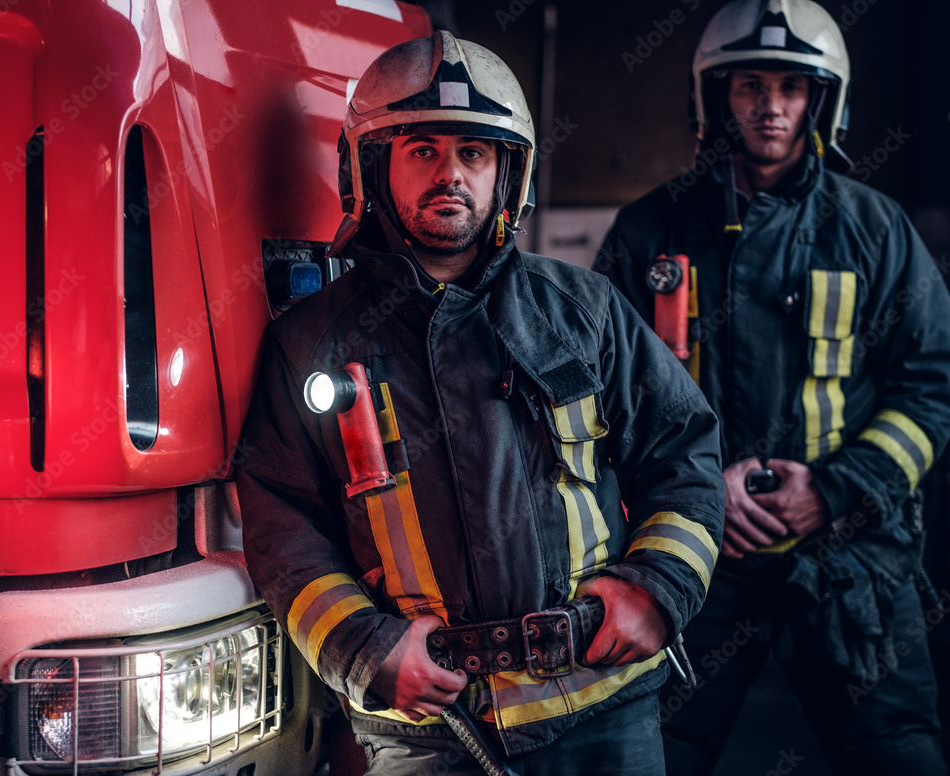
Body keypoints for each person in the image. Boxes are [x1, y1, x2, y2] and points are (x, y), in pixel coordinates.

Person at [238, 30, 725, 775]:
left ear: (508, 172)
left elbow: (684, 450)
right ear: (372, 166)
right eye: (423, 150)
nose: (451, 175)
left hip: (605, 709)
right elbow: (281, 522)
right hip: (430, 730)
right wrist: (365, 647)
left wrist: (657, 589)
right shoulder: (311, 342)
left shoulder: (584, 311)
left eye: (474, 154)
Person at [594, 1, 950, 774]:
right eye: (749, 85)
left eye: (791, 87)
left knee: (900, 758)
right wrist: (697, 494)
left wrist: (834, 488)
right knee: (648, 755)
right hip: (693, 556)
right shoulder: (648, 233)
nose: (771, 107)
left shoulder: (876, 231)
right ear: (714, 96)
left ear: (824, 99)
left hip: (847, 555)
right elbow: (597, 405)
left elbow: (930, 390)